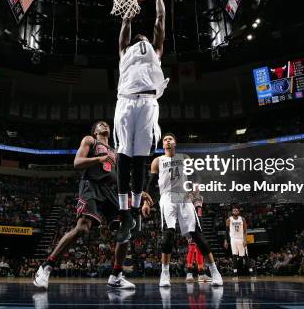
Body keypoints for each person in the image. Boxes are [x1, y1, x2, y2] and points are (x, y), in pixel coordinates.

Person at [34, 121, 149, 289]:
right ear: (95, 131)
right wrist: (99, 158)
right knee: (83, 228)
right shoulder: (90, 140)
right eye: (100, 125)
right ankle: (46, 266)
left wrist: (136, 192)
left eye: (107, 124)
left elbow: (118, 179)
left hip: (110, 191)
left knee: (126, 227)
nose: (105, 125)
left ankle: (116, 275)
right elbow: (77, 162)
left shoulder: (116, 151)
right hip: (91, 185)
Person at [114, 0, 168, 244]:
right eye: (139, 37)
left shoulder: (155, 52)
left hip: (147, 103)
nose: (142, 38)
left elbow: (160, 20)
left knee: (139, 161)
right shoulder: (125, 51)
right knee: (123, 157)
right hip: (125, 101)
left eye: (144, 37)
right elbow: (126, 22)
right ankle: (125, 214)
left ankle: (134, 210)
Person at [143, 133, 223, 287]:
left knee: (197, 235)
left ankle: (214, 272)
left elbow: (196, 176)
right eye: (165, 140)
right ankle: (165, 273)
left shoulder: (185, 157)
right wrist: (146, 202)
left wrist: (195, 189)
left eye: (170, 139)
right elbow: (151, 183)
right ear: (163, 144)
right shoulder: (157, 161)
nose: (167, 141)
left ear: (175, 142)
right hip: (166, 196)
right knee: (168, 233)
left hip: (184, 197)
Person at [224, 207, 253, 279]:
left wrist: (245, 239)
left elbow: (245, 230)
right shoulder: (229, 220)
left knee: (245, 256)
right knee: (234, 255)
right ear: (232, 212)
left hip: (241, 239)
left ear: (239, 211)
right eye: (234, 210)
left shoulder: (242, 219)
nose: (235, 211)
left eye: (236, 210)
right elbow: (227, 231)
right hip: (233, 239)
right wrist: (225, 240)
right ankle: (235, 273)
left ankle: (251, 272)